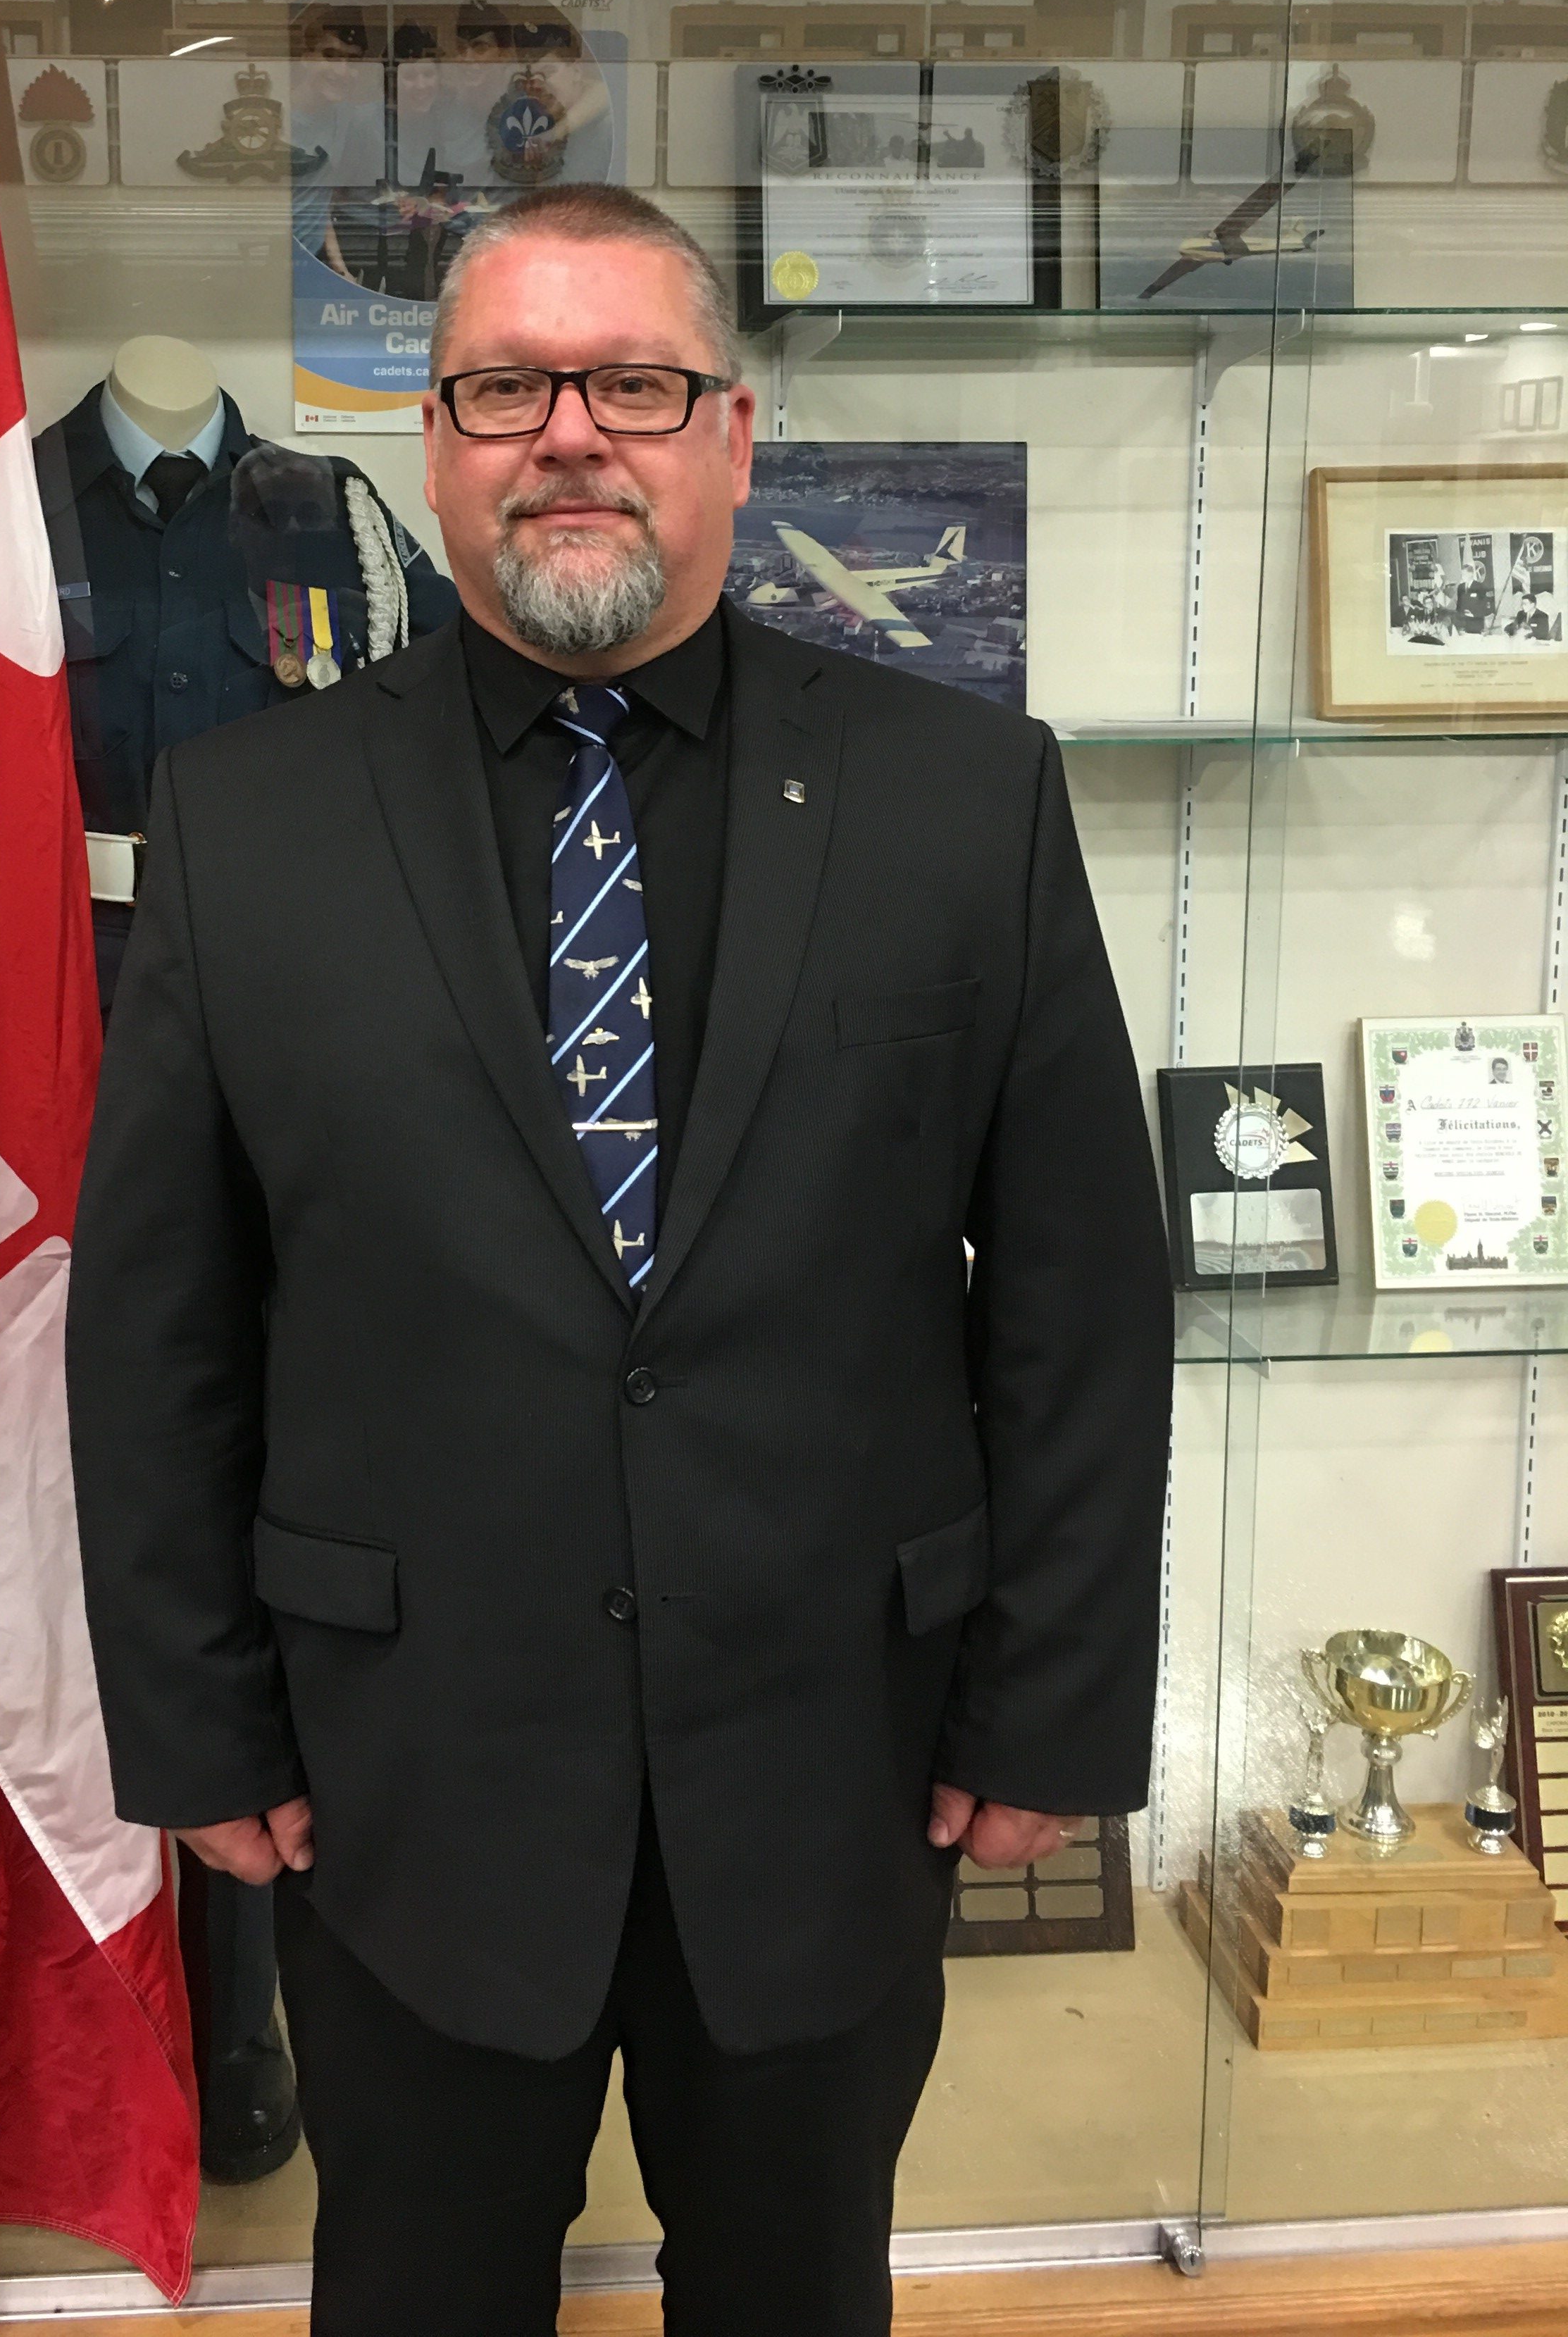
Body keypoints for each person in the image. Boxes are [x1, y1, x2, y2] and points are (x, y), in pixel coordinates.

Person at [67, 185, 1173, 2333]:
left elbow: (1076, 1297)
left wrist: (1056, 1711)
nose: (569, 432)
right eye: (505, 388)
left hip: (833, 1768)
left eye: (633, 383)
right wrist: (192, 1730)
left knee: (794, 2294)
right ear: (439, 445)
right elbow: (161, 1323)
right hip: (401, 1783)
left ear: (731, 438)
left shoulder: (965, 799)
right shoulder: (245, 824)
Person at [37, 348, 454, 2181]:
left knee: (275, 1495)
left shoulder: (339, 522)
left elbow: (457, 757)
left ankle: (257, 1991)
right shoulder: (7, 513)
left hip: (298, 1053)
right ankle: (84, 2006)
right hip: (56, 1042)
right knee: (85, 1500)